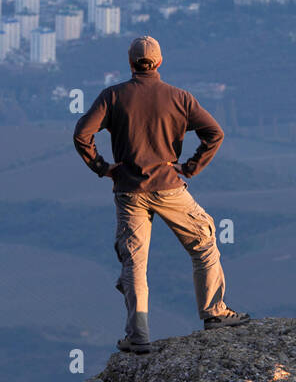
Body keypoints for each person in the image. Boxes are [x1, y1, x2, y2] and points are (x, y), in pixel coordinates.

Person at [73, 35, 249, 352]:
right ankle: (214, 312)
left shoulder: (113, 96)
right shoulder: (179, 97)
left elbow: (82, 134)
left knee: (134, 263)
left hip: (128, 189)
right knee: (204, 242)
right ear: (159, 62)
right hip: (169, 185)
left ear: (130, 63)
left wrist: (103, 167)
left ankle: (138, 336)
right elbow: (215, 133)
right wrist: (191, 166)